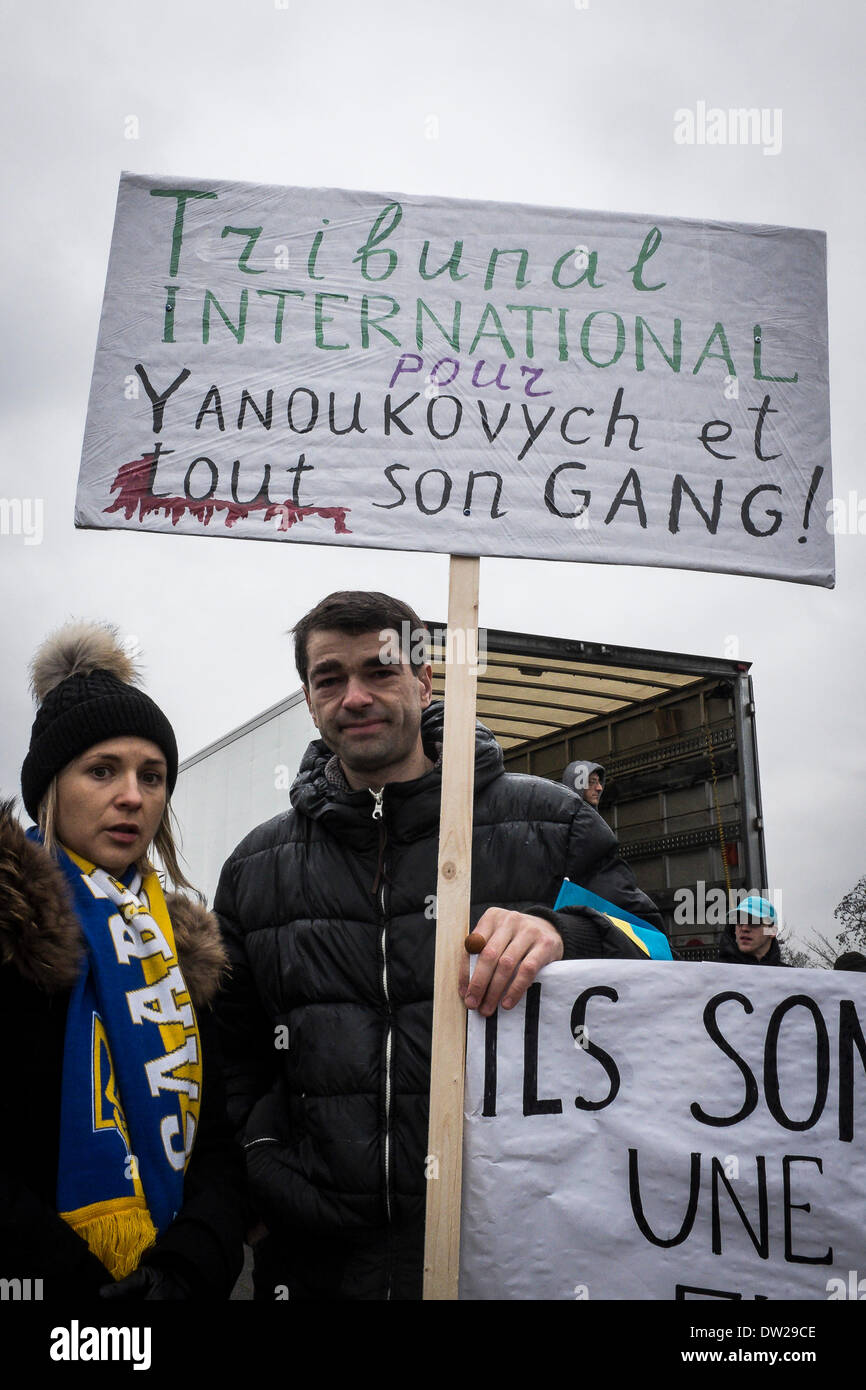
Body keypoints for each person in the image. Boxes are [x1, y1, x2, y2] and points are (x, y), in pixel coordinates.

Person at [214, 591, 665, 1301]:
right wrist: (262, 1173)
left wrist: (565, 932)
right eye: (330, 678)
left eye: (380, 671)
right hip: (315, 1259)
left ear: (424, 681)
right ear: (308, 698)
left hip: (513, 1244)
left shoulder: (549, 821)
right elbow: (231, 1048)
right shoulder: (253, 867)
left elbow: (655, 949)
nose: (355, 696)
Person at [0, 621, 244, 1299]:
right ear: (51, 786)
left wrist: (188, 1268)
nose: (133, 795)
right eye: (102, 770)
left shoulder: (185, 951)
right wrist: (80, 1288)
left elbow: (218, 1148)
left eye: (153, 775)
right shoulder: (9, 930)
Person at [718, 894, 785, 966]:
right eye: (739, 921)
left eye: (754, 922)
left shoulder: (791, 975)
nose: (744, 928)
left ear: (772, 931)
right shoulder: (713, 974)